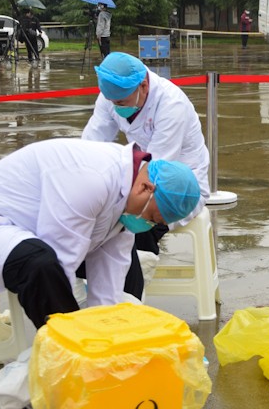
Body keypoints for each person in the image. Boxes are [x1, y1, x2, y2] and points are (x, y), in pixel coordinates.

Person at [0, 137, 201, 329]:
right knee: (40, 264)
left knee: (128, 271)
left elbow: (108, 283)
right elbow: (60, 263)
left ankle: (76, 357)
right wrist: (78, 337)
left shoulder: (124, 196)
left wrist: (107, 331)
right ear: (145, 188)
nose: (148, 225)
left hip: (24, 234)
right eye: (152, 217)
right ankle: (65, 365)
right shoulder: (93, 178)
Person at [82, 52, 210, 299]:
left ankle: (131, 294)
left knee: (136, 224)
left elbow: (156, 171)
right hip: (144, 177)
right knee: (100, 218)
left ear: (143, 85)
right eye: (112, 101)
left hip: (178, 185)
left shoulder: (171, 105)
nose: (116, 107)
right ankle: (104, 289)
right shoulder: (112, 96)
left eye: (120, 102)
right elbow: (91, 145)